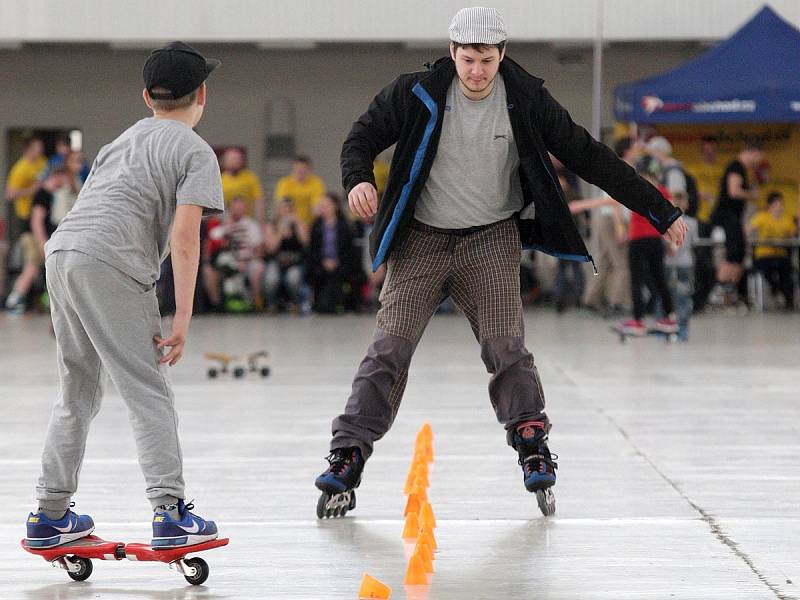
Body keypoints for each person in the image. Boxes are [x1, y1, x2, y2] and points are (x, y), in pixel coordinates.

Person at [314, 7, 686, 512]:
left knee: (506, 349)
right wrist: (359, 177)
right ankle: (348, 454)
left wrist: (658, 209)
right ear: (452, 53)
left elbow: (588, 155)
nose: (476, 72)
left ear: (502, 54)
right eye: (467, 60)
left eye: (486, 61)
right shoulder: (415, 91)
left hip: (490, 240)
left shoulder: (527, 98)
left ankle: (532, 443)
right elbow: (361, 136)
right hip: (421, 241)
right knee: (388, 352)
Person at [24, 42, 222, 550]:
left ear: (146, 96)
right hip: (110, 262)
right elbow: (184, 238)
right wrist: (181, 316)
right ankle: (170, 513)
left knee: (78, 389)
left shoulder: (122, 140)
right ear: (202, 93)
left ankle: (49, 514)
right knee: (147, 390)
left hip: (62, 252)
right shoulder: (195, 151)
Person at [618, 158, 680, 336]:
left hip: (637, 239)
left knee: (636, 280)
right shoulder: (663, 191)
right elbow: (670, 218)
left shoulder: (636, 189)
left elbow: (624, 212)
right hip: (655, 240)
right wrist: (672, 243)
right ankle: (670, 318)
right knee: (660, 279)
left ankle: (638, 321)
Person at [4, 168, 72, 313]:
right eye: (64, 179)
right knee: (31, 268)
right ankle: (13, 301)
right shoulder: (43, 194)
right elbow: (36, 221)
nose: (65, 183)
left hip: (37, 237)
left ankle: (21, 300)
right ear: (57, 176)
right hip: (33, 237)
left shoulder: (50, 195)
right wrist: (43, 244)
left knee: (36, 270)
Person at [711, 142, 764, 304]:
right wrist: (752, 195)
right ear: (753, 152)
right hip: (726, 216)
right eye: (759, 157)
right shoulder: (736, 166)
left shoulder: (741, 169)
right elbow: (733, 191)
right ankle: (719, 287)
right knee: (733, 252)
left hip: (733, 218)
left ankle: (730, 290)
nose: (758, 162)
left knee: (740, 253)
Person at [308, 193, 359, 314]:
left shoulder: (345, 226)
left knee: (338, 276)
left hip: (340, 262)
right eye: (322, 205)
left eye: (327, 205)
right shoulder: (316, 226)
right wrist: (323, 261)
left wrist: (336, 261)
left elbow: (348, 250)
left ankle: (339, 303)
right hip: (321, 263)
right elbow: (312, 249)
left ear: (335, 206)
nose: (324, 208)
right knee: (319, 273)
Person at [213, 196, 265, 310]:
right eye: (235, 207)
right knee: (223, 263)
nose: (238, 210)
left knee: (258, 268)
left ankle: (256, 301)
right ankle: (224, 303)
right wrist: (226, 229)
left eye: (241, 207)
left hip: (249, 260)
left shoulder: (251, 224)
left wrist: (245, 261)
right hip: (230, 259)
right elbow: (214, 237)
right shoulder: (224, 224)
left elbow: (259, 250)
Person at [747, 192, 797, 309]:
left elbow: (793, 235)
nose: (779, 206)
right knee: (766, 269)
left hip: (781, 255)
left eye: (781, 204)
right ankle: (776, 291)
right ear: (770, 205)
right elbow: (749, 229)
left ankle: (788, 300)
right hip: (764, 255)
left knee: (787, 270)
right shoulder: (761, 217)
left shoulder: (787, 219)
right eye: (777, 204)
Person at [263, 198, 309, 311]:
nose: (285, 212)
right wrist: (280, 232)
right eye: (282, 209)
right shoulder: (271, 225)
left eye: (288, 209)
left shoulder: (298, 223)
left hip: (295, 261)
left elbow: (306, 242)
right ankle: (271, 304)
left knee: (293, 278)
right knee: (271, 279)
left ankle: (295, 303)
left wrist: (297, 224)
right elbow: (271, 249)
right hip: (276, 260)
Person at [665, 194, 699, 341]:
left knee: (667, 297)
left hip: (670, 263)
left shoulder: (665, 222)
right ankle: (682, 330)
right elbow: (694, 243)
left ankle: (666, 329)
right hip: (685, 263)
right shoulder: (692, 223)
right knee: (683, 297)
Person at [5, 136, 46, 243]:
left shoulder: (43, 161)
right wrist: (32, 190)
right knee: (29, 247)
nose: (41, 150)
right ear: (28, 150)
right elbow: (9, 194)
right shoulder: (20, 169)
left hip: (42, 210)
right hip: (26, 214)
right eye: (38, 147)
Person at [273, 155, 326, 228]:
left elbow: (316, 206)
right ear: (293, 169)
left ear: (309, 170)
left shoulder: (316, 183)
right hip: (289, 223)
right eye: (298, 169)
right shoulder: (284, 183)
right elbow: (282, 206)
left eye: (304, 169)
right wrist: (297, 221)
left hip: (310, 225)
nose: (300, 171)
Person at [220, 147, 265, 222]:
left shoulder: (250, 177)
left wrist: (260, 222)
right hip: (226, 221)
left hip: (247, 220)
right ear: (225, 161)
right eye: (232, 159)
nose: (235, 162)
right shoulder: (220, 179)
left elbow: (258, 201)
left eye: (237, 159)